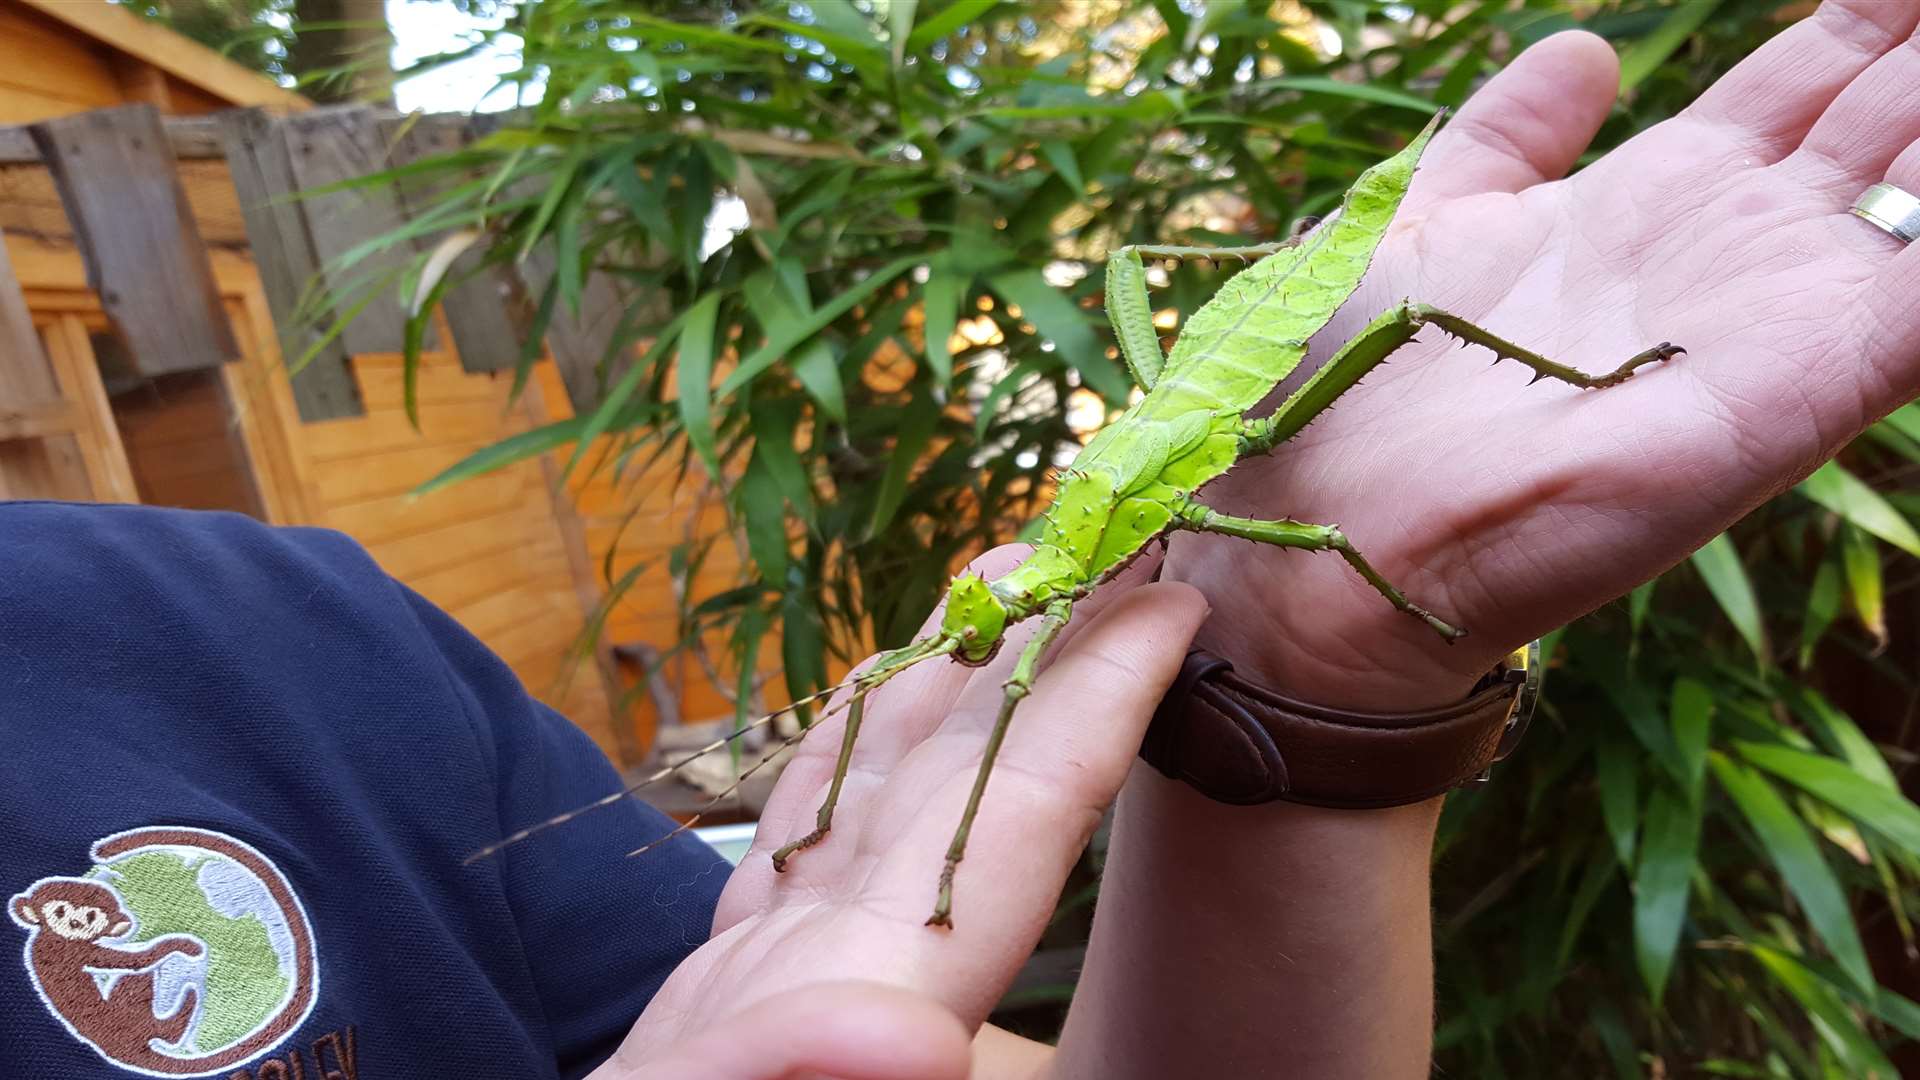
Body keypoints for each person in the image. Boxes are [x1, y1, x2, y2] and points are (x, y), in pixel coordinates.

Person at [2, 2, 1916, 1076]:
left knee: (1395, 328)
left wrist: (1348, 687)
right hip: (1178, 455)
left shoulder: (246, 629)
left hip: (1215, 414)